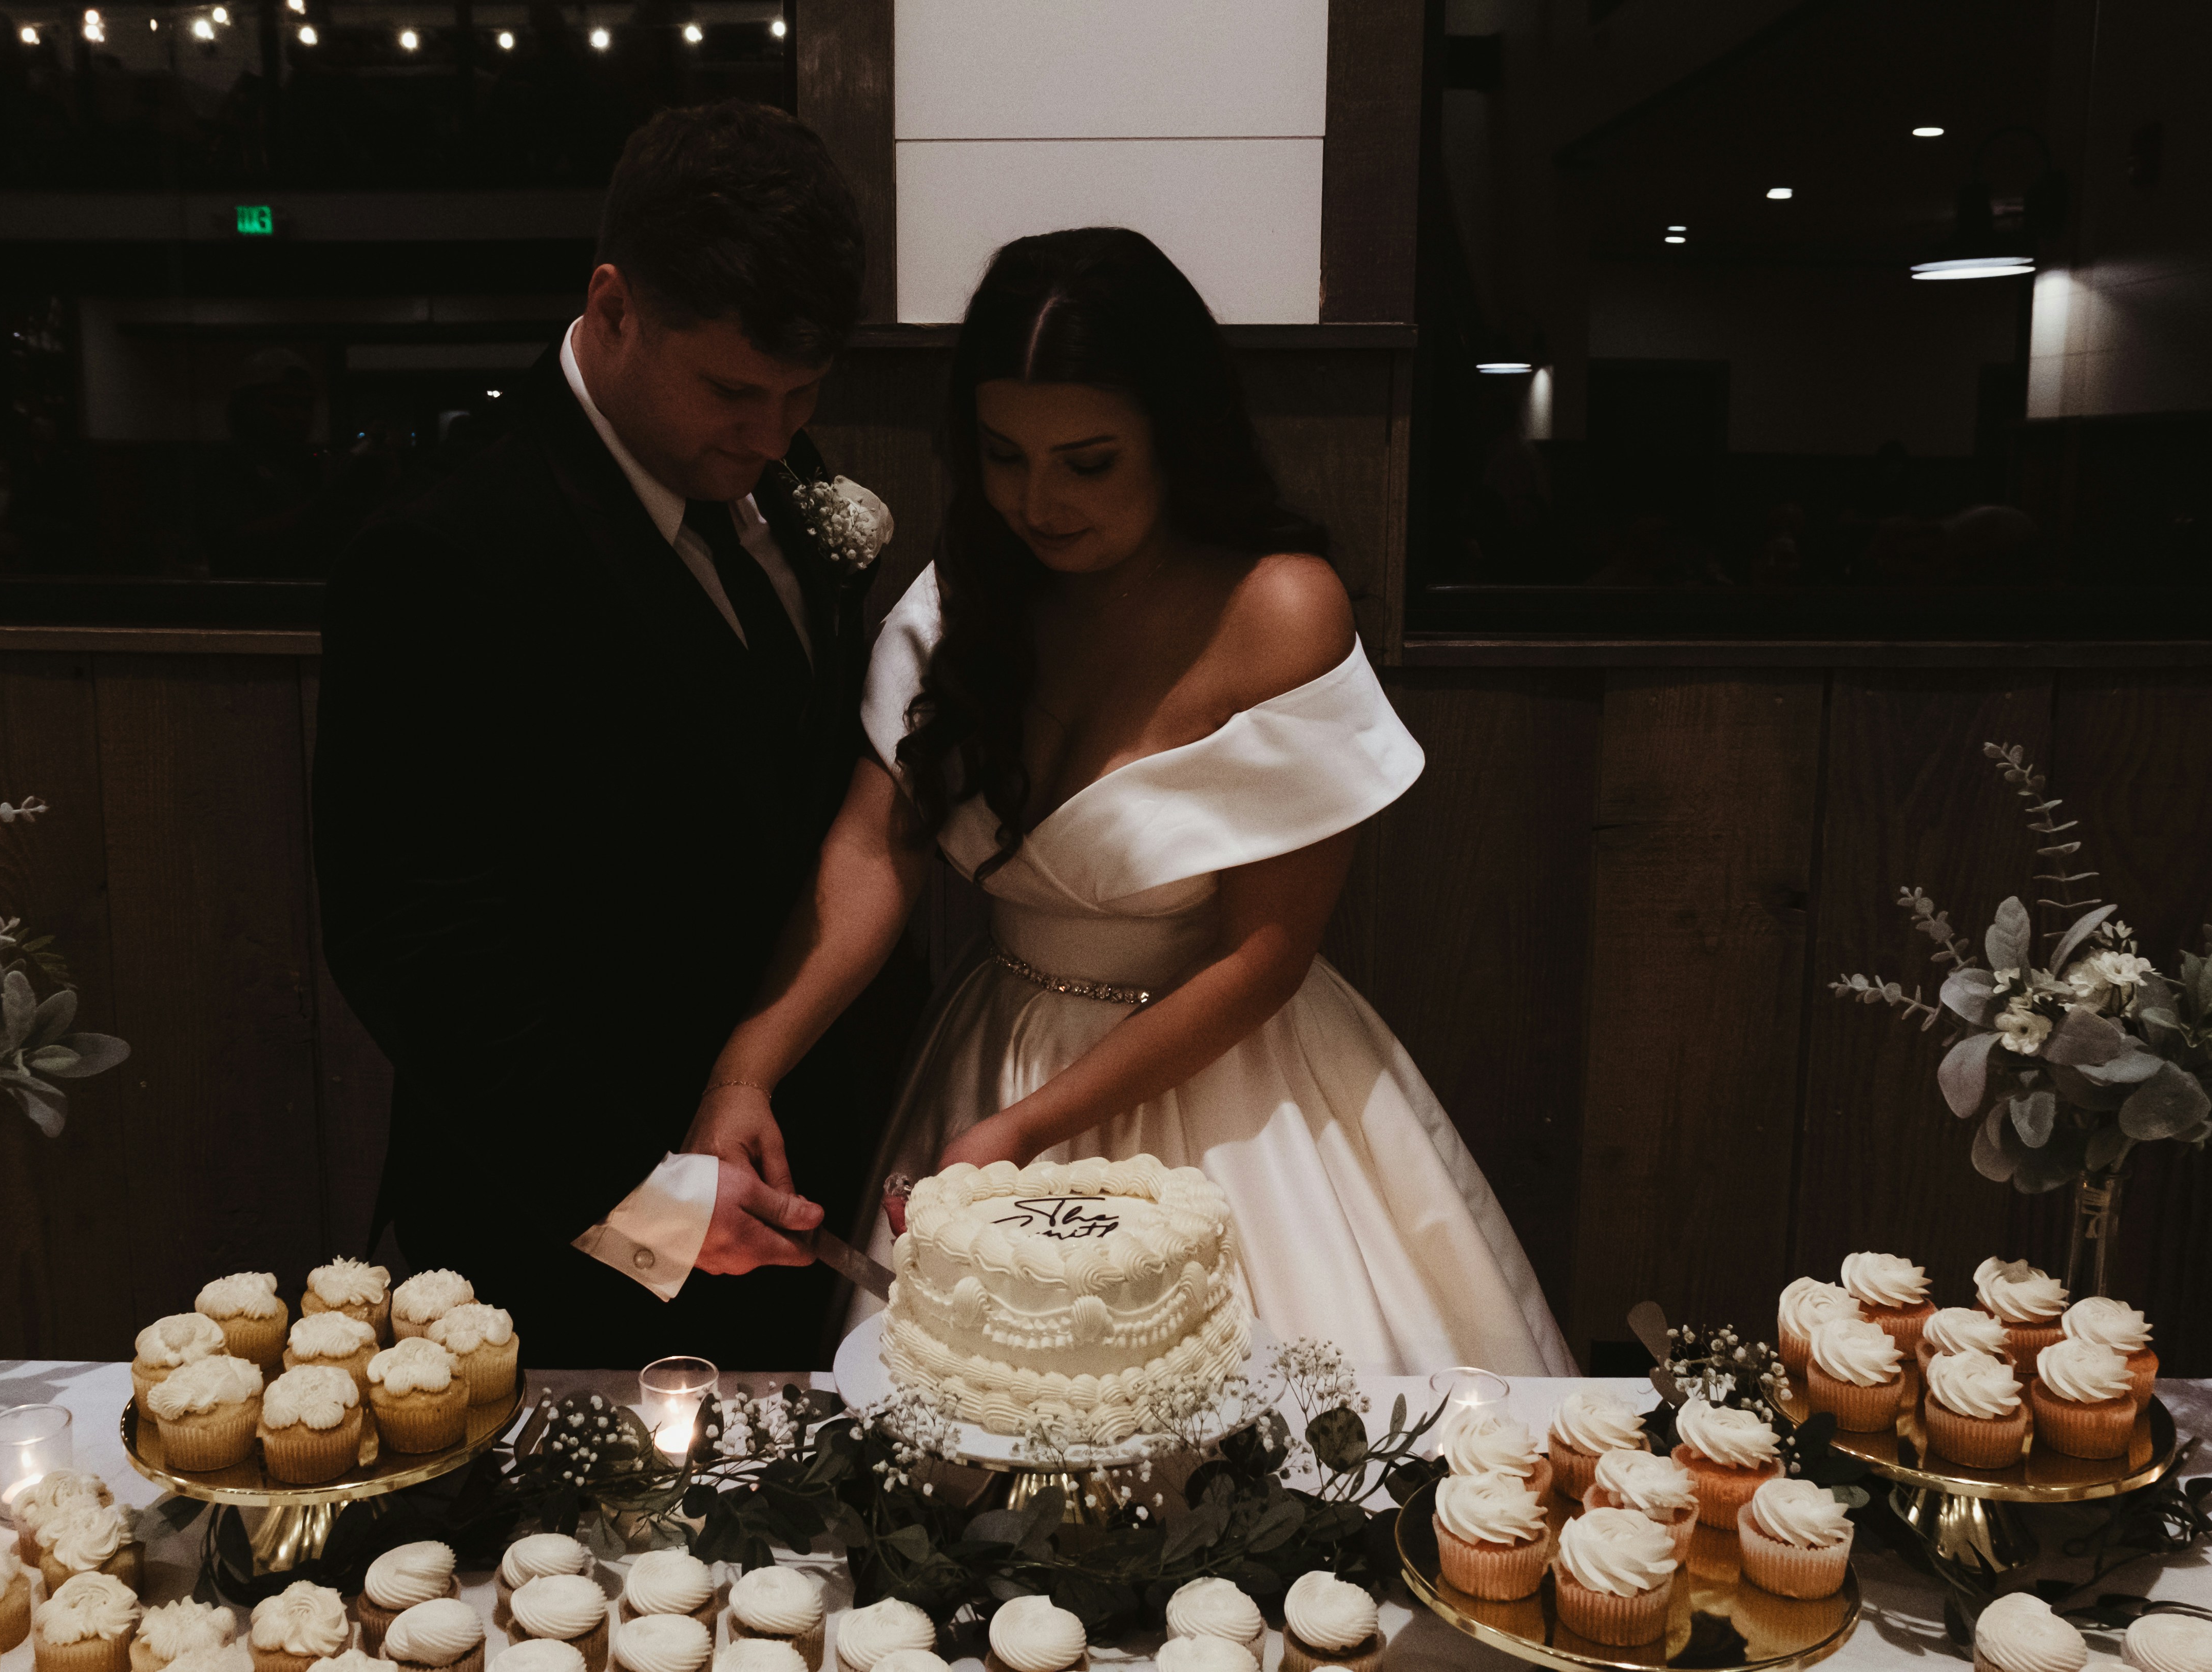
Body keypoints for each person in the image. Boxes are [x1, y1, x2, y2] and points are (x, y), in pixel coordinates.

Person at [686, 228, 1574, 1376]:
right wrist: (746, 1068)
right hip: (993, 1045)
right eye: (1003, 456)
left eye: (1088, 462)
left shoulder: (1279, 610)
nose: (1036, 501)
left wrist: (1025, 1133)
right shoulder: (970, 593)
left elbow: (1265, 956)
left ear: (1176, 438)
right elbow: (877, 845)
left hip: (1225, 1063)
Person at [311, 102, 900, 1369]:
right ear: (613, 303)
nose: (770, 436)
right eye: (732, 390)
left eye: (803, 395)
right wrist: (644, 1209)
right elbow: (413, 936)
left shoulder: (781, 491)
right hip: (566, 1232)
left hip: (807, 1179)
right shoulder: (446, 551)